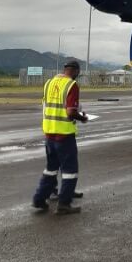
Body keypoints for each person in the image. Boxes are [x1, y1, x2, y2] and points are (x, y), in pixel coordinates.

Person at [32, 59, 89, 215]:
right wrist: (82, 118)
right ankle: (64, 203)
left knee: (51, 169)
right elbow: (70, 111)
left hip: (49, 133)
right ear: (76, 71)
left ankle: (39, 199)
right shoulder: (72, 85)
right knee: (70, 170)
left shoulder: (49, 83)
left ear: (65, 69)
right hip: (64, 135)